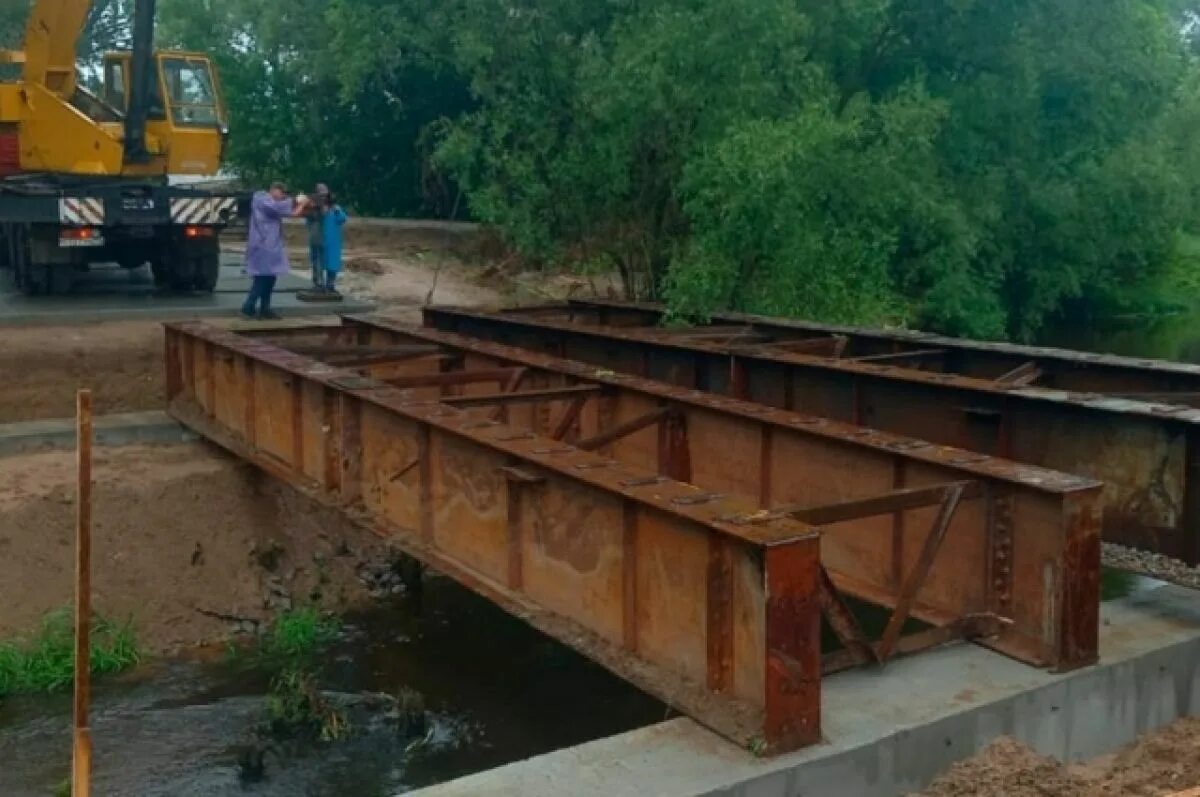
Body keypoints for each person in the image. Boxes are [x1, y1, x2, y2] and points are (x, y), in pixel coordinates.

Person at [242, 182, 302, 320]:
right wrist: (298, 202)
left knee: (270, 278)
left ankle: (265, 308)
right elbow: (281, 209)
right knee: (262, 278)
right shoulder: (263, 200)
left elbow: (286, 211)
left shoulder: (266, 201)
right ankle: (248, 307)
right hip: (263, 245)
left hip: (270, 245)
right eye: (282, 193)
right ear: (274, 190)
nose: (283, 197)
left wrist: (300, 204)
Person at [320, 191, 349, 295]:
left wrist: (336, 211)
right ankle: (320, 285)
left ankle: (330, 285)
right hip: (322, 240)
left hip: (334, 242)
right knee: (321, 263)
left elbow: (343, 219)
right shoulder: (320, 210)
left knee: (333, 264)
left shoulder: (336, 209)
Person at [304, 183, 329, 290]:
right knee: (317, 258)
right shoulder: (312, 204)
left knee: (320, 259)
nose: (323, 197)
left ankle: (319, 280)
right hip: (316, 234)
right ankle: (318, 280)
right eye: (322, 194)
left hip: (322, 235)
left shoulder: (326, 204)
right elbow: (309, 217)